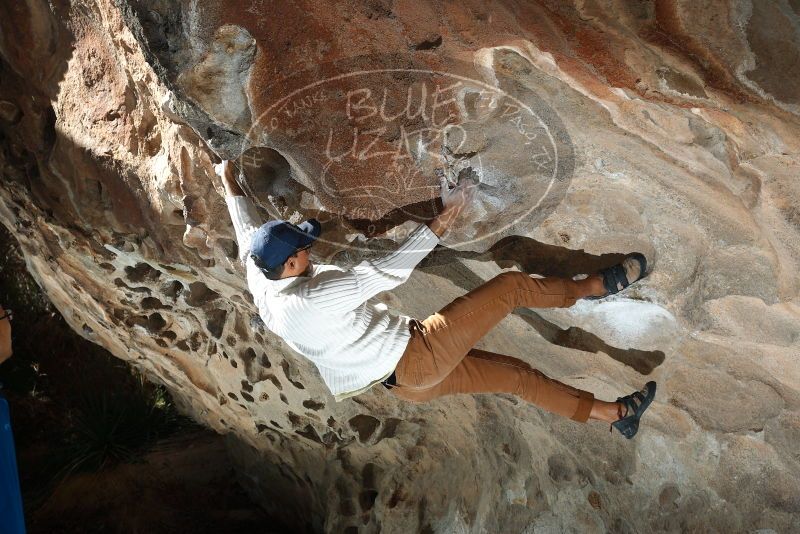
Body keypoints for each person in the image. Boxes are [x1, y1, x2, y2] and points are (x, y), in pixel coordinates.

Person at [216, 160, 656, 438]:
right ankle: (595, 286)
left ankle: (616, 415)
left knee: (519, 378)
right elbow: (389, 270)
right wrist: (448, 213)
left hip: (406, 386)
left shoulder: (265, 282)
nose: (310, 249)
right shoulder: (314, 296)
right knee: (511, 288)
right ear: (292, 264)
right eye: (302, 249)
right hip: (417, 355)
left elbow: (245, 233)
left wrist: (228, 181)